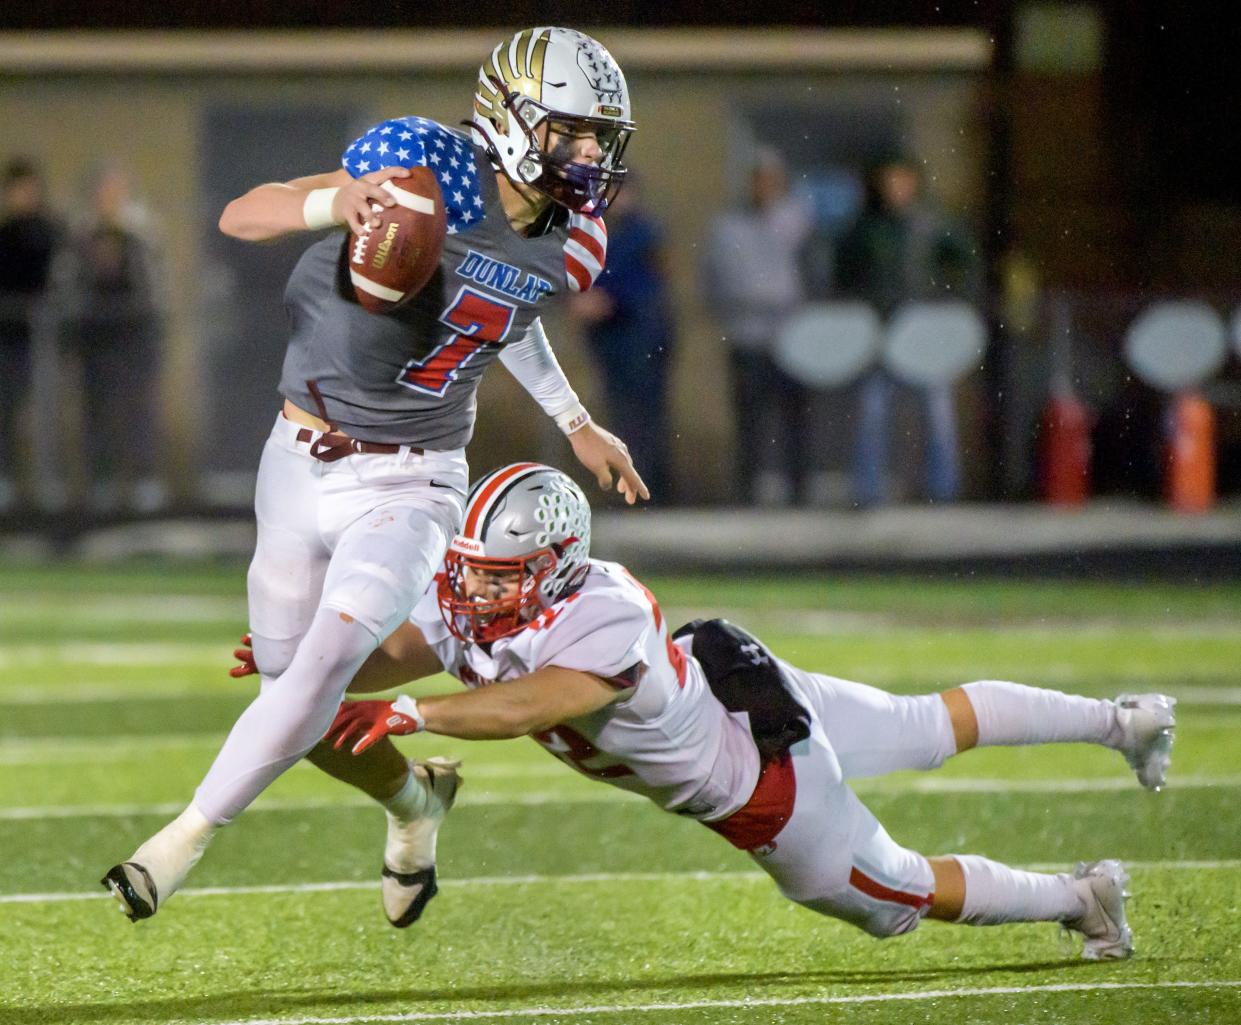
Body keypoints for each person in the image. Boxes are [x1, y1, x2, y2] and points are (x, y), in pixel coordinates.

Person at [101, 26, 651, 922]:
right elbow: (242, 214)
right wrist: (342, 204)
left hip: (414, 478)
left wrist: (575, 420)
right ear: (510, 122)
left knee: (322, 665)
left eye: (600, 138)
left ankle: (180, 842)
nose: (589, 155)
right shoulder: (418, 168)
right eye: (571, 132)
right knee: (296, 698)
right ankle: (414, 800)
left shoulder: (579, 238)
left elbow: (506, 311)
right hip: (296, 457)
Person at [239, 461, 1173, 951]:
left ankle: (1086, 897)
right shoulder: (483, 601)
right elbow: (399, 649)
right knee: (924, 723)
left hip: (758, 780)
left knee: (898, 897)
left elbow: (535, 702)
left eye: (499, 577)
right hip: (737, 683)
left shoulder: (599, 613)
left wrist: (417, 719)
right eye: (474, 574)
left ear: (552, 565)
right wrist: (311, 660)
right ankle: (1121, 719)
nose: (475, 594)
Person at [835, 151, 981, 506]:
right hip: (879, 333)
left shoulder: (930, 225)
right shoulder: (865, 227)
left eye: (901, 179)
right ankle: (868, 493)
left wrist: (948, 303)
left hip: (924, 335)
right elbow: (844, 273)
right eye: (888, 180)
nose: (895, 188)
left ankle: (942, 492)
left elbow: (965, 262)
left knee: (937, 414)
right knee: (872, 412)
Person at [47, 161, 168, 514]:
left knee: (138, 411)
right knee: (95, 412)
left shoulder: (142, 232)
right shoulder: (81, 234)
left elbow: (155, 285)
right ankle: (99, 483)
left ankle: (145, 483)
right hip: (94, 340)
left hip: (135, 339)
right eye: (103, 192)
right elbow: (66, 282)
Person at [702, 147, 817, 506]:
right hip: (747, 335)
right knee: (750, 418)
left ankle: (799, 490)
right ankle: (750, 490)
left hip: (794, 336)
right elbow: (715, 280)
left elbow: (815, 273)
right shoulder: (727, 227)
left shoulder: (800, 222)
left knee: (796, 418)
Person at [567, 174, 675, 501]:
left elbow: (650, 286)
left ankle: (648, 491)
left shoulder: (645, 233)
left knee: (644, 416)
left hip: (641, 334)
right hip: (608, 338)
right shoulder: (592, 231)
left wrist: (608, 300)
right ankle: (627, 489)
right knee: (619, 413)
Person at [0, 158, 62, 514]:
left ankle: (47, 486)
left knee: (44, 417)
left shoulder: (48, 232)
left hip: (42, 346)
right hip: (8, 342)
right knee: (7, 416)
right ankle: (8, 483)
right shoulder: (5, 233)